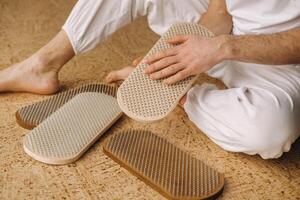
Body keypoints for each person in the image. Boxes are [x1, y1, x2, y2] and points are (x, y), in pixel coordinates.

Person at [1, 0, 300, 159]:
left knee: (269, 130)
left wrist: (220, 49)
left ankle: (183, 96)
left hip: (282, 66)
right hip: (223, 40)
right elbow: (220, 10)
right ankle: (42, 65)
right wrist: (176, 56)